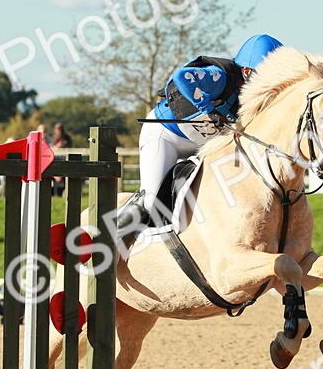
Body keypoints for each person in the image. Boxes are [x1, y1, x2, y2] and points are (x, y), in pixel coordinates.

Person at [120, 33, 283, 231]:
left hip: (203, 144)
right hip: (166, 136)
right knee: (152, 200)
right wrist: (208, 109)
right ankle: (107, 239)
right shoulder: (220, 77)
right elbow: (181, 77)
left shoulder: (259, 94)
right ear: (247, 71)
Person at [50, 123, 72, 196]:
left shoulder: (67, 139)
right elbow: (50, 151)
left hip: (64, 162)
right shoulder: (53, 139)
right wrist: (57, 147)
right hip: (54, 162)